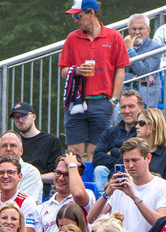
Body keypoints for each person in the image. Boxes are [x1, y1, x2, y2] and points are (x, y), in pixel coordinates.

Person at [59, 0, 130, 160]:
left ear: (92, 13)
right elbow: (63, 71)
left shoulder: (114, 36)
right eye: (74, 17)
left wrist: (113, 100)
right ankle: (75, 184)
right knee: (74, 151)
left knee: (97, 152)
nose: (76, 20)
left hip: (102, 101)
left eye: (78, 16)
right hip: (76, 102)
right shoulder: (72, 38)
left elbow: (121, 70)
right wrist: (76, 70)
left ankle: (93, 185)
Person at [89, 138, 166, 232]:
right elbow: (91, 219)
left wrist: (135, 197)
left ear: (148, 158)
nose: (130, 165)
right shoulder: (119, 186)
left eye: (135, 160)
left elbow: (161, 224)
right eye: (126, 161)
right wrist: (107, 193)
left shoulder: (164, 187)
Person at [37, 154, 95, 232]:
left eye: (67, 174)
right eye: (58, 173)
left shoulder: (86, 195)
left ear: (78, 177)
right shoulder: (42, 207)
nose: (60, 178)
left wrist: (72, 165)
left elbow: (78, 193)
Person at [91, 89, 144, 189]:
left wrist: (114, 152)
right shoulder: (110, 132)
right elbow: (96, 159)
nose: (126, 111)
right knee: (99, 169)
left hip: (135, 178)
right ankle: (103, 202)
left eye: (131, 106)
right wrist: (120, 161)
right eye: (123, 107)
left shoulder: (142, 132)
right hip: (109, 179)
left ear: (141, 108)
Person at [0, 131, 44, 203]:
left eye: (13, 145)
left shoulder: (31, 172)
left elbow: (23, 205)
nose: (8, 149)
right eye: (4, 145)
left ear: (21, 150)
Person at [10, 102, 62, 183]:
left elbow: (57, 174)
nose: (20, 120)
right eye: (16, 118)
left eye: (23, 116)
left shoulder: (51, 141)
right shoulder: (14, 143)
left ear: (33, 117)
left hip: (41, 188)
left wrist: (32, 178)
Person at [124, 15, 163, 109]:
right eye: (134, 29)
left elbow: (144, 71)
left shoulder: (155, 48)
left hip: (145, 94)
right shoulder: (121, 46)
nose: (137, 32)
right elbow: (114, 72)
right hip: (124, 91)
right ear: (129, 31)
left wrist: (130, 50)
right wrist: (135, 78)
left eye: (141, 28)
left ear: (148, 30)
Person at [136, 107, 166, 180]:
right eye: (137, 123)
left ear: (154, 126)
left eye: (141, 123)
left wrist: (158, 179)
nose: (136, 126)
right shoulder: (131, 151)